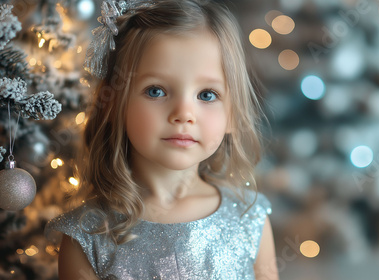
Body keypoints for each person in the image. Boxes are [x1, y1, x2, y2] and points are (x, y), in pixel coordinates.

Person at [45, 0, 278, 279]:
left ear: (232, 113)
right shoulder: (87, 237)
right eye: (156, 91)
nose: (183, 114)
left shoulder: (250, 219)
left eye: (207, 95)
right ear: (112, 102)